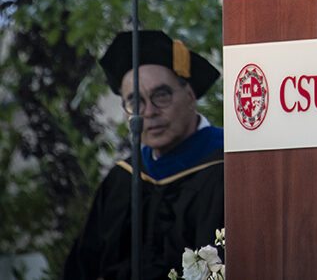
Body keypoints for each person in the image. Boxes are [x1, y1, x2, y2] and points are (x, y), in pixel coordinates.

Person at [64, 30, 225, 280]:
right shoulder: (121, 181)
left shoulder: (230, 168)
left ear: (190, 95)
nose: (148, 112)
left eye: (161, 96)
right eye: (135, 101)